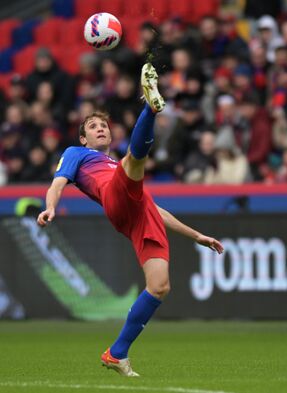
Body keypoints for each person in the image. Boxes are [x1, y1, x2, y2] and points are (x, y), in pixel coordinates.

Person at [36, 63, 224, 377]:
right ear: (83, 139)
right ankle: (150, 108)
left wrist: (197, 236)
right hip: (115, 197)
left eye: (104, 126)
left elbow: (155, 210)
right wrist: (51, 207)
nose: (101, 129)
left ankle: (116, 353)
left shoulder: (115, 163)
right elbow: (57, 184)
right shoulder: (76, 154)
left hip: (139, 215)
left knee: (159, 286)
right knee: (134, 162)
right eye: (93, 126)